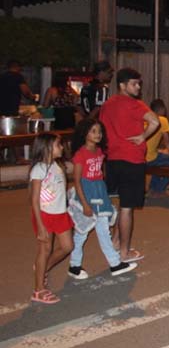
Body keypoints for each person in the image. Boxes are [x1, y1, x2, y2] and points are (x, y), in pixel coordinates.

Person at [99, 67, 160, 264]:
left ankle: (116, 242)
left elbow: (102, 131)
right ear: (122, 85)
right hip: (131, 159)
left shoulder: (107, 105)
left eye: (139, 84)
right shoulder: (135, 104)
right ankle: (124, 253)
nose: (138, 87)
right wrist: (143, 137)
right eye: (134, 84)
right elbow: (155, 121)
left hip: (113, 159)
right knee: (127, 207)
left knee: (122, 203)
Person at [68, 119, 137, 279]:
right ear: (84, 133)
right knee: (82, 232)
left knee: (103, 230)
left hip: (99, 194)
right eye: (93, 131)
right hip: (87, 195)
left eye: (99, 131)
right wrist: (84, 204)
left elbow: (100, 174)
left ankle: (114, 263)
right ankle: (74, 265)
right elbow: (77, 181)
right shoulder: (80, 154)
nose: (97, 134)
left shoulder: (99, 151)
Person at [28, 132, 73, 304]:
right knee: (44, 250)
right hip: (45, 215)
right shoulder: (39, 169)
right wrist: (40, 225)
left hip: (60, 213)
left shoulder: (57, 165)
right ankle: (38, 290)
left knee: (67, 246)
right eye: (58, 145)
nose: (61, 147)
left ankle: (42, 268)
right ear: (47, 148)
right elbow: (34, 199)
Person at [146, 99, 169, 196]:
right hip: (150, 159)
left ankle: (152, 188)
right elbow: (168, 143)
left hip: (139, 157)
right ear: (162, 109)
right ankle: (158, 189)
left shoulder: (145, 119)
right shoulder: (162, 120)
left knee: (160, 159)